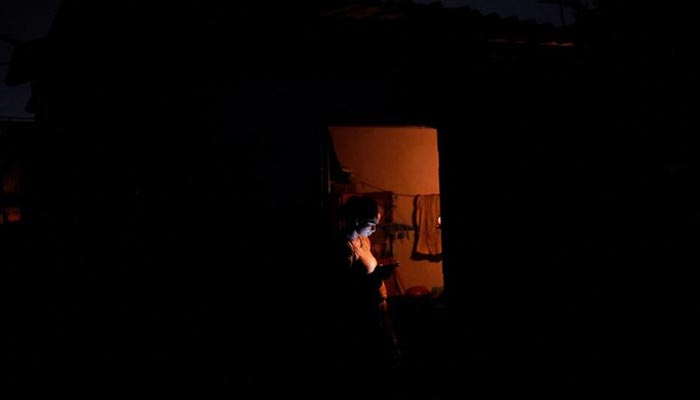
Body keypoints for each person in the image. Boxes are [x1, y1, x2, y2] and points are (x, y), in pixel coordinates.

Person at [326, 194, 401, 373]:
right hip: (364, 313)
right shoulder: (344, 247)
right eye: (371, 224)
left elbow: (366, 268)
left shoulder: (363, 240)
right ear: (357, 219)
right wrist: (375, 278)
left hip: (378, 307)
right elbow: (344, 285)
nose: (374, 229)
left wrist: (381, 270)